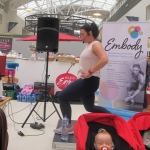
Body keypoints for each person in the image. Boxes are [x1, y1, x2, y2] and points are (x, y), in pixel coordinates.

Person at [53, 22, 111, 134]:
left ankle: (67, 126)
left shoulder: (95, 44)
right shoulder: (88, 45)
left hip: (89, 80)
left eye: (82, 34)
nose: (81, 36)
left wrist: (89, 71)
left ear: (90, 33)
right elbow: (91, 58)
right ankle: (113, 118)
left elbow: (104, 59)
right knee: (90, 108)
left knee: (62, 96)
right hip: (89, 80)